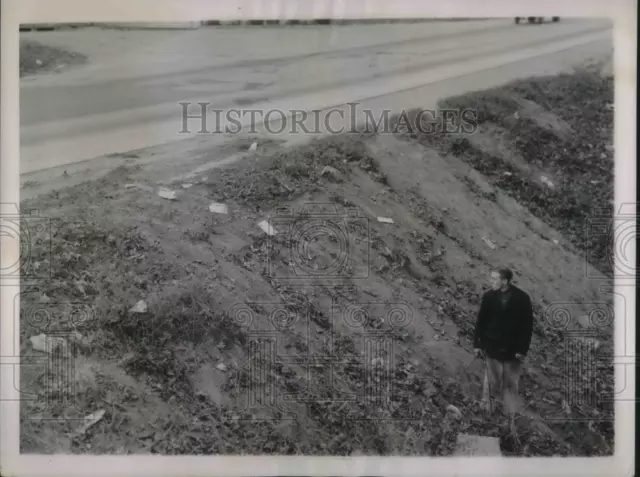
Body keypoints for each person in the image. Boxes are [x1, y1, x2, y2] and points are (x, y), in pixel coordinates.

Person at [473, 268, 533, 417]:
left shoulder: (522, 298)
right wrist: (477, 344)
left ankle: (510, 417)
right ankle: (487, 412)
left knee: (510, 384)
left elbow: (527, 326)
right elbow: (480, 322)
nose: (491, 281)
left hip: (513, 351)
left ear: (505, 281)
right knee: (491, 383)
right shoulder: (488, 296)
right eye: (491, 278)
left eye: (495, 279)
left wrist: (522, 349)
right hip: (492, 347)